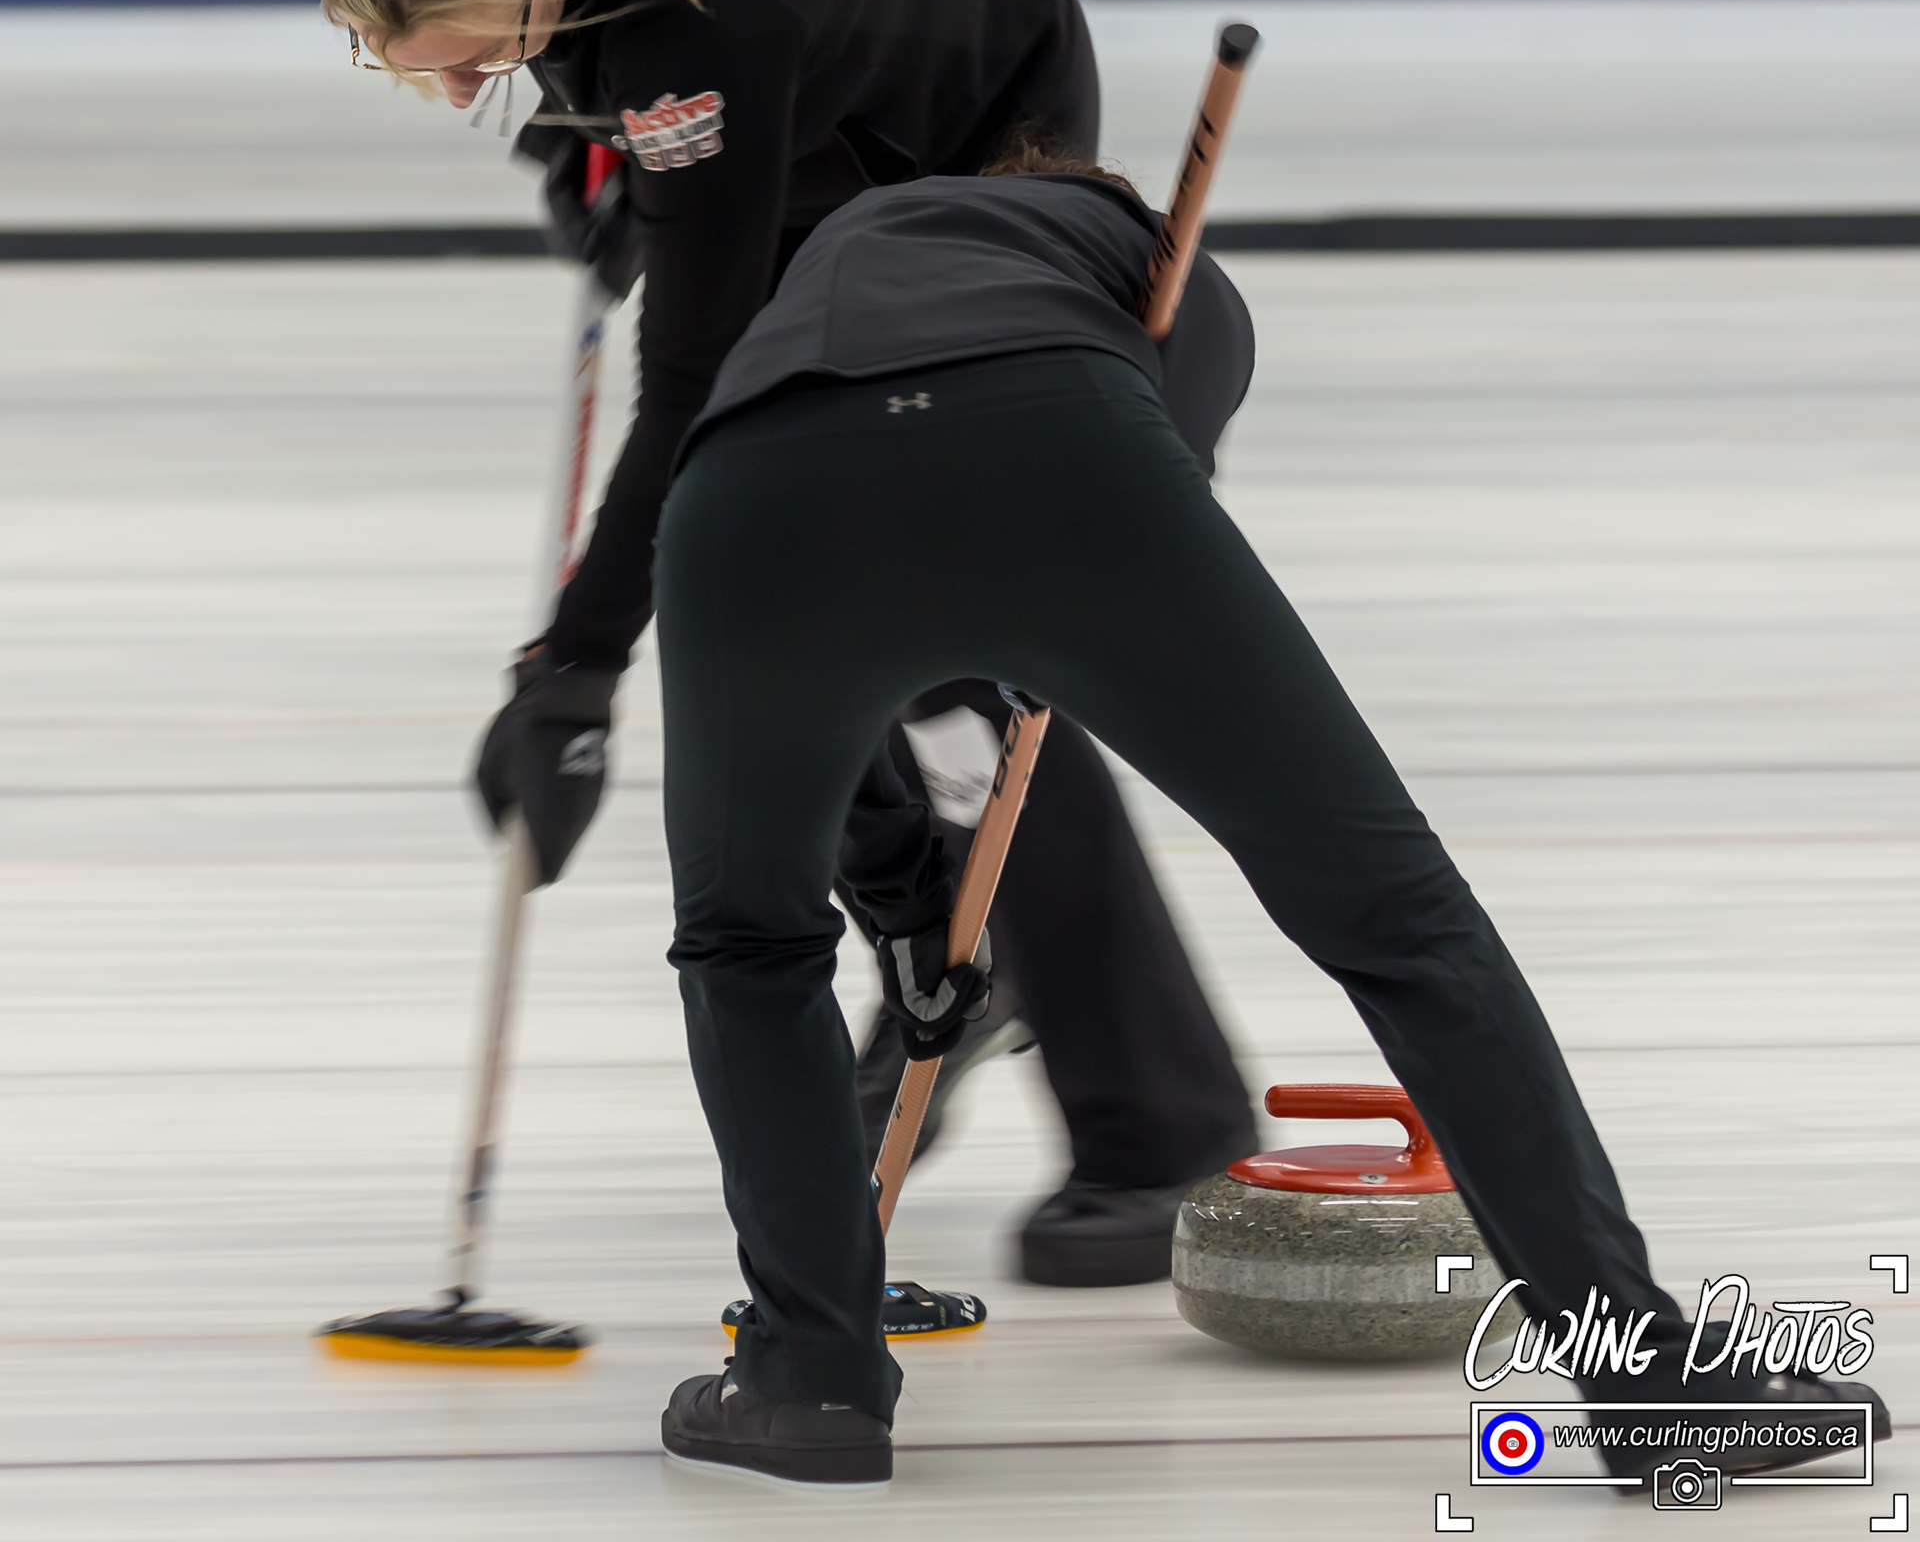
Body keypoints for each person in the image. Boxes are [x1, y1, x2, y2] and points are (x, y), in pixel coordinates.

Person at [553, 150, 1882, 1486]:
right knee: (1400, 920)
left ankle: (810, 1380)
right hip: (1059, 444)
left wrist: (904, 906)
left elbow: (854, 685)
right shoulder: (1170, 266)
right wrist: (1047, 643)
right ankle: (1649, 1378)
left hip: (756, 481)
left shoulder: (820, 276)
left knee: (747, 943)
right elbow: (1163, 484)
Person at [304, 0, 1257, 1285]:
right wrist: (601, 154)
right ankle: (944, 934)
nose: (458, 86)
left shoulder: (703, 11)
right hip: (826, 67)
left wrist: (572, 671)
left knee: (935, 595)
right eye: (403, 57)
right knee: (795, 561)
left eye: (476, 52)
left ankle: (1160, 1120)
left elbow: (689, 388)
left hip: (975, 123)